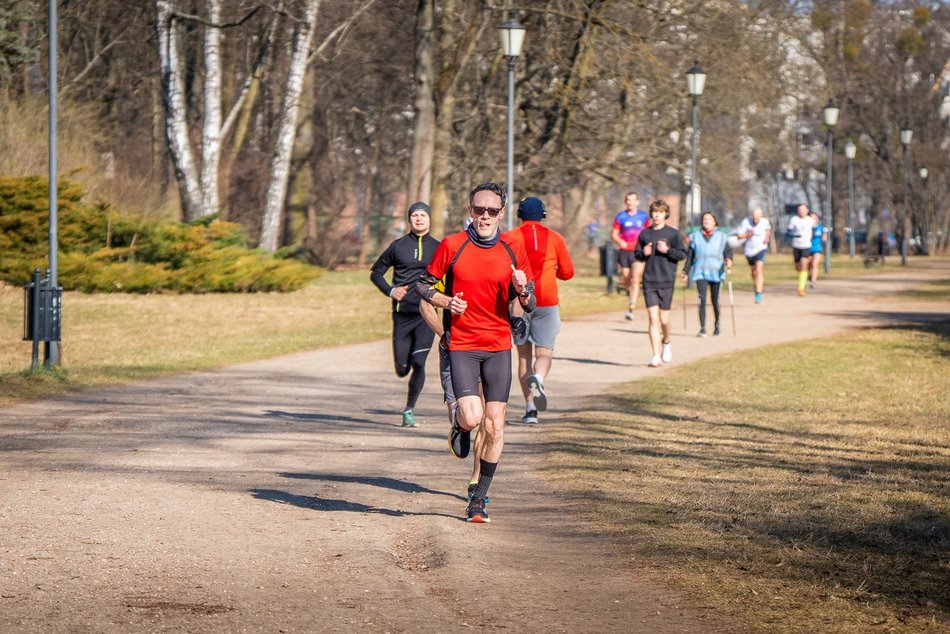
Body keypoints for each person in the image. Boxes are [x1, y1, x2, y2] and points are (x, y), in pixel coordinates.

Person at [414, 182, 535, 523]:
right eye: (479, 210)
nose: (485, 216)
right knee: (472, 417)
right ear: (470, 210)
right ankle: (459, 427)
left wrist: (522, 290)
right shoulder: (453, 245)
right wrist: (444, 300)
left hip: (498, 346)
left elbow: (530, 301)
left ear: (501, 213)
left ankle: (478, 500)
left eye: (492, 211)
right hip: (463, 345)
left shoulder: (513, 249)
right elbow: (423, 284)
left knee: (495, 426)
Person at [369, 202, 440, 427]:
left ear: (429, 219)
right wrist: (390, 290)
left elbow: (452, 275)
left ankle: (409, 409)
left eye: (423, 215)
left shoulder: (439, 248)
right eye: (415, 215)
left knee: (419, 361)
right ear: (410, 220)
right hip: (402, 315)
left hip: (426, 315)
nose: (419, 219)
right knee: (402, 369)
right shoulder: (397, 246)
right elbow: (376, 273)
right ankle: (404, 368)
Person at [505, 196, 574, 424]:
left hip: (519, 302)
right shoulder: (556, 238)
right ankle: (539, 377)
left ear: (520, 214)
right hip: (547, 302)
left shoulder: (510, 238)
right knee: (544, 353)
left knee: (523, 357)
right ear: (542, 215)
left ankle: (530, 410)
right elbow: (567, 272)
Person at [634, 200, 687, 367]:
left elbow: (682, 255)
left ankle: (667, 342)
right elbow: (637, 254)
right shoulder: (645, 234)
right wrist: (644, 252)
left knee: (664, 320)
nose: (657, 215)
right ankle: (655, 355)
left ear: (666, 215)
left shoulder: (672, 234)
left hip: (666, 280)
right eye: (654, 212)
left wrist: (668, 251)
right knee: (652, 318)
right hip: (649, 280)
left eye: (660, 212)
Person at [681, 211, 733, 337]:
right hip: (700, 272)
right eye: (704, 219)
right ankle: (703, 328)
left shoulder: (722, 236)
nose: (706, 221)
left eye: (709, 219)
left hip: (716, 272)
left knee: (715, 300)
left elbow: (728, 251)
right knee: (701, 300)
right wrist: (685, 271)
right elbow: (690, 256)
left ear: (714, 221)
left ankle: (717, 324)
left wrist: (729, 259)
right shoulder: (695, 237)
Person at [610, 192, 649, 321]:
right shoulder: (620, 217)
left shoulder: (643, 216)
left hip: (638, 252)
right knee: (627, 280)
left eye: (633, 200)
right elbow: (614, 234)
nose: (631, 202)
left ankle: (631, 308)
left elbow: (650, 232)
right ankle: (630, 292)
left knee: (635, 279)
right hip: (624, 252)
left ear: (637, 202)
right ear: (625, 202)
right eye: (628, 200)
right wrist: (619, 241)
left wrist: (646, 245)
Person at [737, 207, 771, 303]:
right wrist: (748, 234)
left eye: (758, 217)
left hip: (761, 248)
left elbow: (768, 230)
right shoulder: (746, 222)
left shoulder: (764, 222)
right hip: (749, 251)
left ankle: (758, 294)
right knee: (754, 273)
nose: (755, 219)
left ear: (761, 216)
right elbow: (739, 236)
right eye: (754, 217)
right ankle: (756, 286)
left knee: (759, 270)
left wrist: (767, 238)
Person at [787, 203, 816, 297]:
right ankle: (805, 275)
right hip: (796, 245)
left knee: (803, 264)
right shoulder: (794, 219)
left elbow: (816, 231)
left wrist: (814, 236)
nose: (801, 211)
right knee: (798, 267)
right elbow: (789, 231)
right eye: (799, 210)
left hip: (806, 246)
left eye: (803, 209)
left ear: (807, 210)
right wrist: (793, 235)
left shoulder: (811, 221)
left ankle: (801, 288)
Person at [808, 211, 828, 288]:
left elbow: (824, 237)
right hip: (807, 248)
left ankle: (813, 281)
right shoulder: (806, 227)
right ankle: (811, 274)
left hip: (817, 249)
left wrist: (824, 237)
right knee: (809, 264)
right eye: (811, 218)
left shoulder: (821, 228)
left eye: (815, 219)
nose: (813, 220)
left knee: (814, 264)